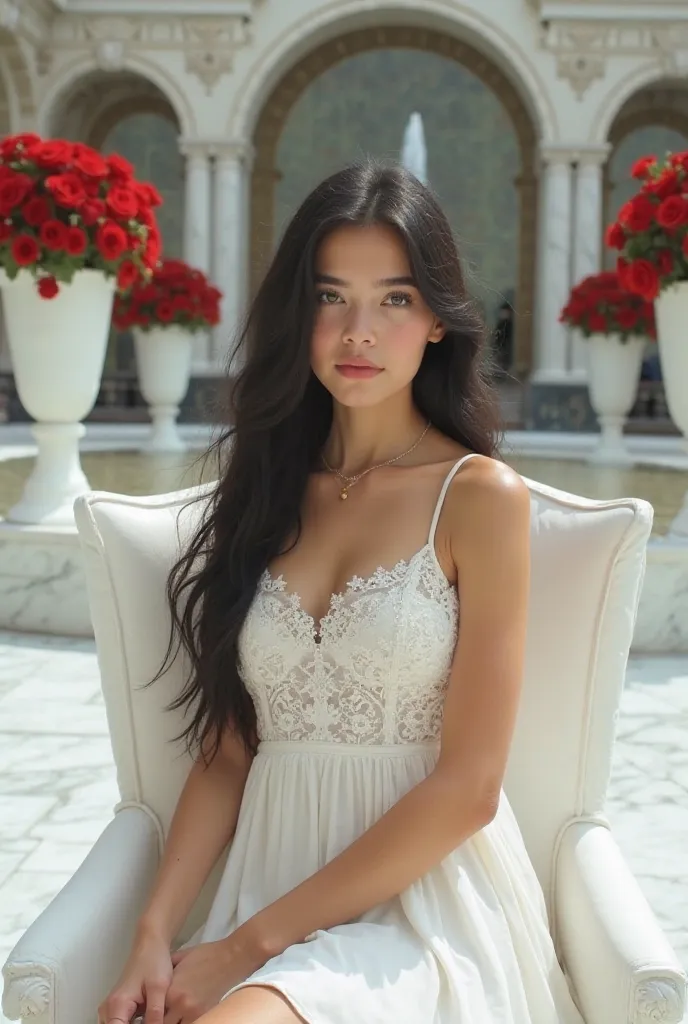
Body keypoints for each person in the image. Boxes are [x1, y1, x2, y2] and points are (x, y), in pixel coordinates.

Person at [98, 161, 583, 1024]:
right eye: (331, 297)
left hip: (419, 907)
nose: (359, 331)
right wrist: (153, 929)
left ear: (437, 319)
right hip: (269, 883)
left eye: (394, 299)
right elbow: (227, 752)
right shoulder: (266, 492)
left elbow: (471, 785)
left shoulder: (476, 497)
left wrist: (244, 952)